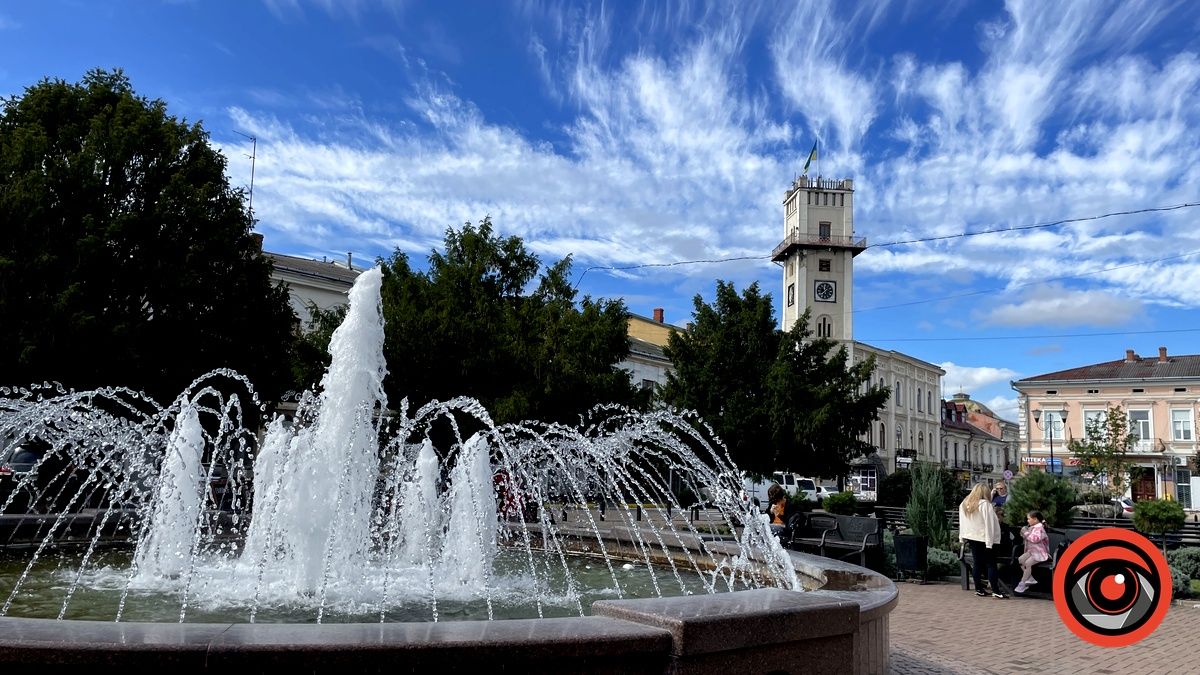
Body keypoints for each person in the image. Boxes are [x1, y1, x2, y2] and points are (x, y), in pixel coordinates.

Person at [959, 483, 1007, 598]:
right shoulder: (985, 505)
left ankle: (978, 589)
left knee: (977, 563)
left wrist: (962, 537)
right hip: (985, 538)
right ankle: (996, 591)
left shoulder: (965, 504)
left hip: (972, 537)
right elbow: (989, 524)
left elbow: (963, 522)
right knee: (991, 564)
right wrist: (990, 542)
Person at [1014, 511, 1049, 594]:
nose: (1027, 520)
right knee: (1021, 559)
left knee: (1027, 563)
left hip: (1040, 552)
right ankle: (1030, 578)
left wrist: (1025, 533)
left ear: (1035, 519)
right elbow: (1027, 539)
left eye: (1029, 519)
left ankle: (1022, 583)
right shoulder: (1032, 527)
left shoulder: (1039, 528)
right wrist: (1023, 533)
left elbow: (1035, 539)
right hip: (1032, 551)